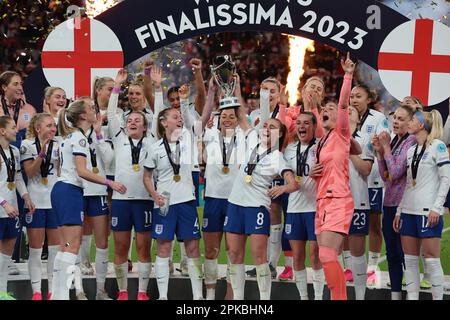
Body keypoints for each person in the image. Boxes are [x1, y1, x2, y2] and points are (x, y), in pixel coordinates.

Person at [224, 87, 299, 300]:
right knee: (235, 256)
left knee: (259, 257)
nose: (266, 128)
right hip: (235, 203)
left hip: (257, 206)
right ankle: (238, 301)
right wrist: (232, 88)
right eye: (265, 125)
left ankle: (264, 300)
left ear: (280, 134)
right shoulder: (250, 139)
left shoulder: (277, 158)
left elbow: (293, 184)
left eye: (272, 127)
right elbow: (239, 114)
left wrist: (282, 188)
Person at [50, 97, 126, 300]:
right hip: (70, 191)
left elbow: (62, 167)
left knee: (65, 246)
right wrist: (109, 183)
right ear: (83, 115)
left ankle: (59, 294)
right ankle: (63, 294)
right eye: (92, 108)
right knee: (71, 247)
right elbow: (82, 171)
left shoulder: (70, 136)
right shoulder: (80, 138)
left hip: (61, 189)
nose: (95, 110)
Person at [308, 53, 359, 300]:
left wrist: (347, 75)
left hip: (338, 199)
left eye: (330, 109)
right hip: (321, 202)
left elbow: (342, 105)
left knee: (327, 255)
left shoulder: (341, 133)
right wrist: (312, 172)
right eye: (324, 109)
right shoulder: (321, 142)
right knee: (324, 258)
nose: (327, 110)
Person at [143, 105, 204, 300]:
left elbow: (204, 114)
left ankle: (197, 297)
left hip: (186, 201)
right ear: (163, 122)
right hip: (165, 203)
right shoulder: (154, 148)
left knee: (193, 248)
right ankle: (163, 296)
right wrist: (154, 194)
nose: (179, 120)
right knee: (164, 247)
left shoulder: (188, 139)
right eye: (175, 117)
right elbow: (147, 176)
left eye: (180, 117)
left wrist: (189, 101)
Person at [107, 69, 154, 300]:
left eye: (138, 120)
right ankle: (123, 292)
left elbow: (157, 113)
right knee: (121, 248)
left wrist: (155, 88)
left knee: (144, 248)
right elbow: (110, 113)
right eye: (130, 120)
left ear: (146, 126)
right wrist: (117, 86)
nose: (133, 121)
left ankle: (143, 292)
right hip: (122, 201)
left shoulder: (152, 140)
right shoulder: (119, 138)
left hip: (144, 200)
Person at [393, 110, 449, 300]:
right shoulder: (411, 151)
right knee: (409, 261)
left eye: (412, 120)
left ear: (421, 126)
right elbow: (409, 184)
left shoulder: (438, 147)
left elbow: (446, 179)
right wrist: (400, 211)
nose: (408, 123)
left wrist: (436, 207)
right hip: (408, 211)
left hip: (428, 212)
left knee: (432, 260)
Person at [372, 103, 417, 300]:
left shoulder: (411, 141)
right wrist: (381, 153)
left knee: (405, 254)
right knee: (392, 254)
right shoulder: (396, 141)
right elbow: (386, 176)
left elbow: (398, 172)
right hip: (389, 204)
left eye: (401, 119)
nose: (396, 122)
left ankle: (412, 294)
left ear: (410, 123)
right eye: (395, 118)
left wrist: (386, 148)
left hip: (404, 206)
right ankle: (396, 294)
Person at [349, 83, 390, 286]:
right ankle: (351, 266)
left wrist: (380, 143)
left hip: (373, 179)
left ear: (368, 99)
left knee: (374, 224)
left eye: (358, 96)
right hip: (352, 180)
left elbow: (384, 145)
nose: (354, 100)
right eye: (352, 96)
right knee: (350, 224)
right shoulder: (346, 117)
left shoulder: (378, 118)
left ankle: (373, 266)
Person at [283, 111, 325, 300]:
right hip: (294, 209)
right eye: (299, 122)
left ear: (314, 126)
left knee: (315, 256)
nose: (302, 126)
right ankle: (303, 297)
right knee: (298, 256)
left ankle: (317, 296)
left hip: (314, 209)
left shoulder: (321, 147)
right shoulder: (289, 150)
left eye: (307, 123)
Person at [20, 113, 61, 300]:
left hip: (55, 203)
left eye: (54, 125)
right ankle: (37, 291)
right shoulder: (27, 145)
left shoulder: (60, 145)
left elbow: (61, 173)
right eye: (48, 125)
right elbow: (29, 172)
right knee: (36, 250)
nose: (52, 129)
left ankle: (52, 290)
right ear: (38, 129)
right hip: (35, 202)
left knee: (55, 250)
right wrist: (42, 152)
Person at [0, 115, 35, 300]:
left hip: (12, 207)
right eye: (13, 127)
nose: (17, 130)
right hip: (2, 207)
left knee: (6, 255)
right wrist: (4, 203)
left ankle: (2, 292)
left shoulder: (14, 151)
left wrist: (26, 196)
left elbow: (18, 177)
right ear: (2, 130)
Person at [347, 105, 374, 300]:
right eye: (344, 110)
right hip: (334, 203)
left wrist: (349, 148)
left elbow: (365, 169)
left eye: (352, 111)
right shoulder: (329, 138)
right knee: (335, 249)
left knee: (357, 250)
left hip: (357, 201)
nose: (347, 112)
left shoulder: (364, 139)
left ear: (359, 119)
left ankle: (360, 296)